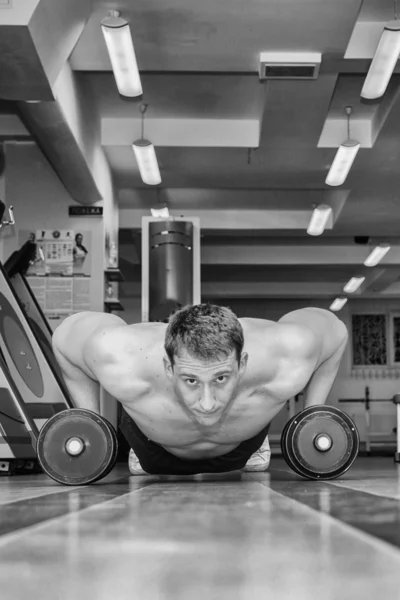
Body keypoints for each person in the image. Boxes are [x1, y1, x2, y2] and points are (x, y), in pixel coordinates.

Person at [52, 304, 348, 476]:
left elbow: (335, 331)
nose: (207, 404)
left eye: (221, 378)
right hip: (151, 448)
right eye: (191, 380)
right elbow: (65, 337)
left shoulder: (287, 353)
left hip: (241, 445)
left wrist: (311, 415)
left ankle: (258, 443)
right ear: (169, 368)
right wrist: (88, 422)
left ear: (242, 364)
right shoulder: (123, 358)